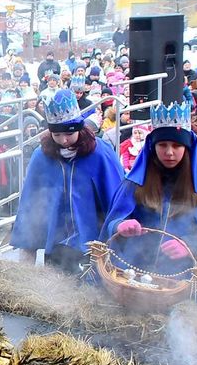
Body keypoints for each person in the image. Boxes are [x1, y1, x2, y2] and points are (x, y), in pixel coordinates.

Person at [102, 101, 197, 293]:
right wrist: (119, 225)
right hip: (133, 273)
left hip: (183, 279)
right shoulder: (134, 183)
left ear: (187, 148)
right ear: (152, 147)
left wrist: (191, 246)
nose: (169, 152)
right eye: (163, 145)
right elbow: (113, 222)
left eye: (177, 145)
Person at [11, 90, 125, 272]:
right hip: (56, 244)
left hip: (94, 245)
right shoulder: (41, 157)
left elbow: (117, 197)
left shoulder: (101, 154)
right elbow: (31, 204)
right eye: (57, 135)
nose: (63, 140)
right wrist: (27, 251)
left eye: (69, 134)